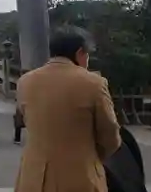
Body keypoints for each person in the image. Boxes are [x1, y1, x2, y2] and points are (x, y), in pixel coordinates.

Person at [14, 26, 121, 192]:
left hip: (33, 178)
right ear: (80, 53)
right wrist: (91, 157)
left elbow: (26, 120)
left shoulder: (25, 82)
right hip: (79, 177)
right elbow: (110, 134)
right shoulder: (93, 83)